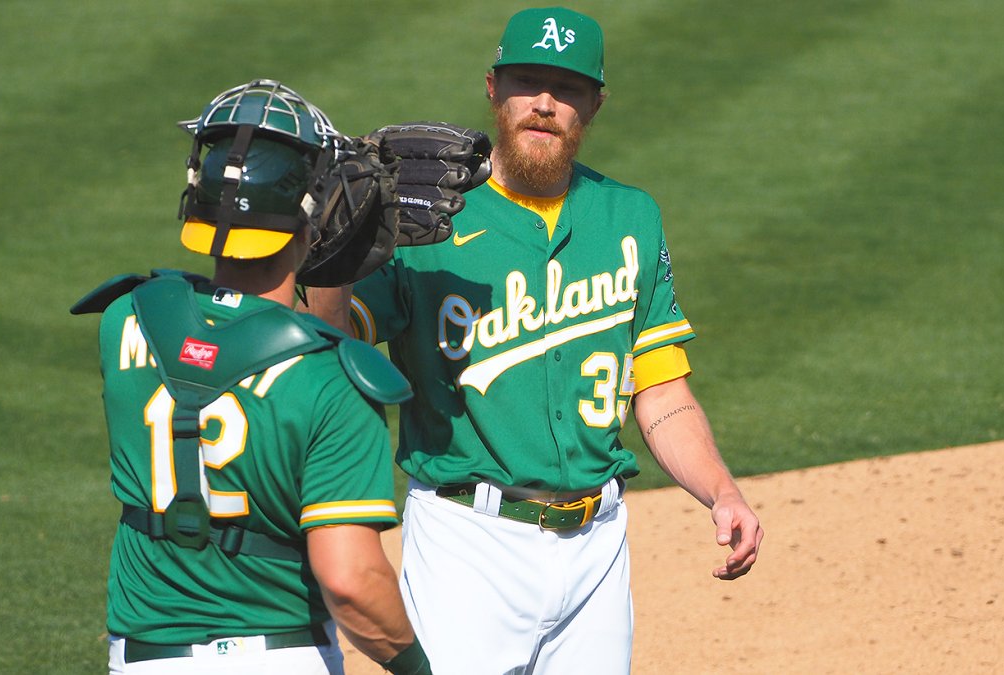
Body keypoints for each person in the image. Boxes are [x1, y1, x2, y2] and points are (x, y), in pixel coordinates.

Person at [322, 8, 765, 674]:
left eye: (568, 88)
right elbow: (327, 339)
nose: (546, 103)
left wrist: (722, 491)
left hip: (598, 548)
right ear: (494, 87)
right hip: (468, 544)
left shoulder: (629, 217)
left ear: (595, 104)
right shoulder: (423, 224)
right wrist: (340, 252)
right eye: (528, 81)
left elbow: (662, 390)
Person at [71, 80, 431, 675]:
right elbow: (350, 581)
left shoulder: (123, 321)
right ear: (313, 217)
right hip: (279, 655)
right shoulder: (332, 381)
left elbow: (220, 334)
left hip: (143, 659)